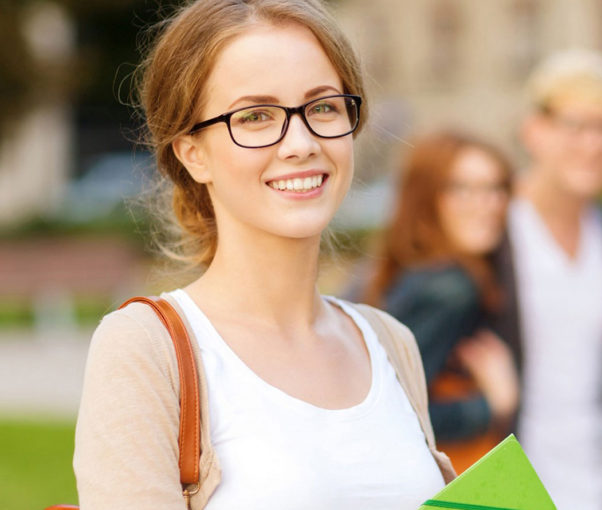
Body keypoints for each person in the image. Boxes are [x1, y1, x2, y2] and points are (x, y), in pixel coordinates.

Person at [72, 1, 454, 509]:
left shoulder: (391, 343)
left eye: (322, 107)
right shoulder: (145, 349)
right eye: (255, 116)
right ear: (194, 153)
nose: (300, 142)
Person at [491, 49, 602, 510]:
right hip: (507, 487)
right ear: (534, 130)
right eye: (576, 126)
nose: (595, 144)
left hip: (599, 489)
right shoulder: (492, 227)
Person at [363, 131, 520, 473]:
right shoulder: (450, 288)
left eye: (496, 188)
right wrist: (492, 404)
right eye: (462, 188)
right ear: (426, 197)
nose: (488, 203)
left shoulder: (407, 272)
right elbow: (396, 410)